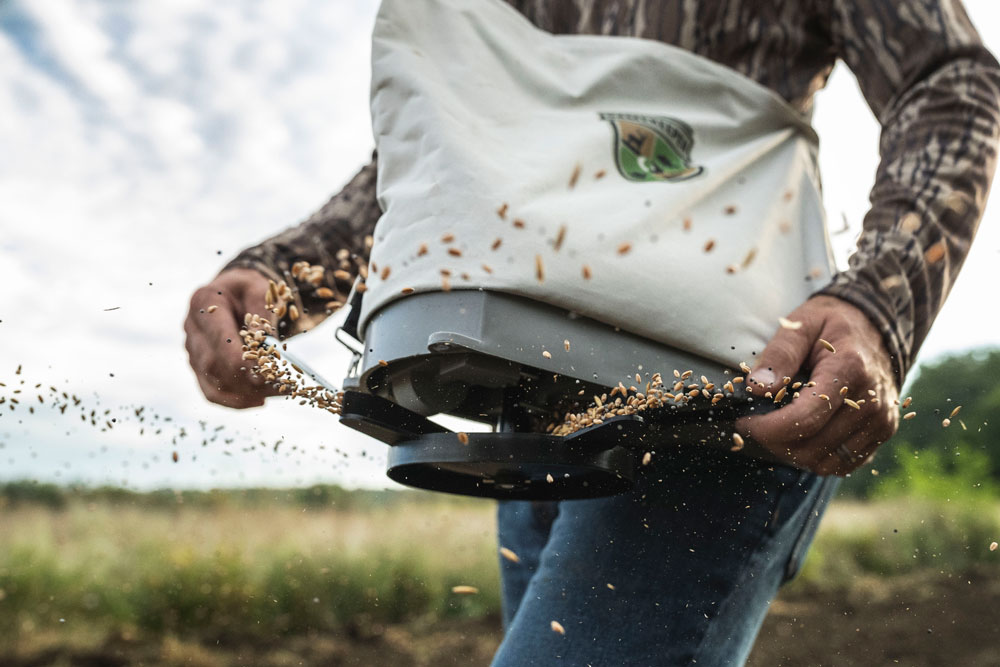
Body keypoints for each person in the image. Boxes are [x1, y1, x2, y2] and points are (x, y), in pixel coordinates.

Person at [184, 1, 1000, 664]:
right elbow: (440, 141)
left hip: (726, 390)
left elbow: (949, 77)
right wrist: (284, 273)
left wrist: (875, 305)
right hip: (531, 397)